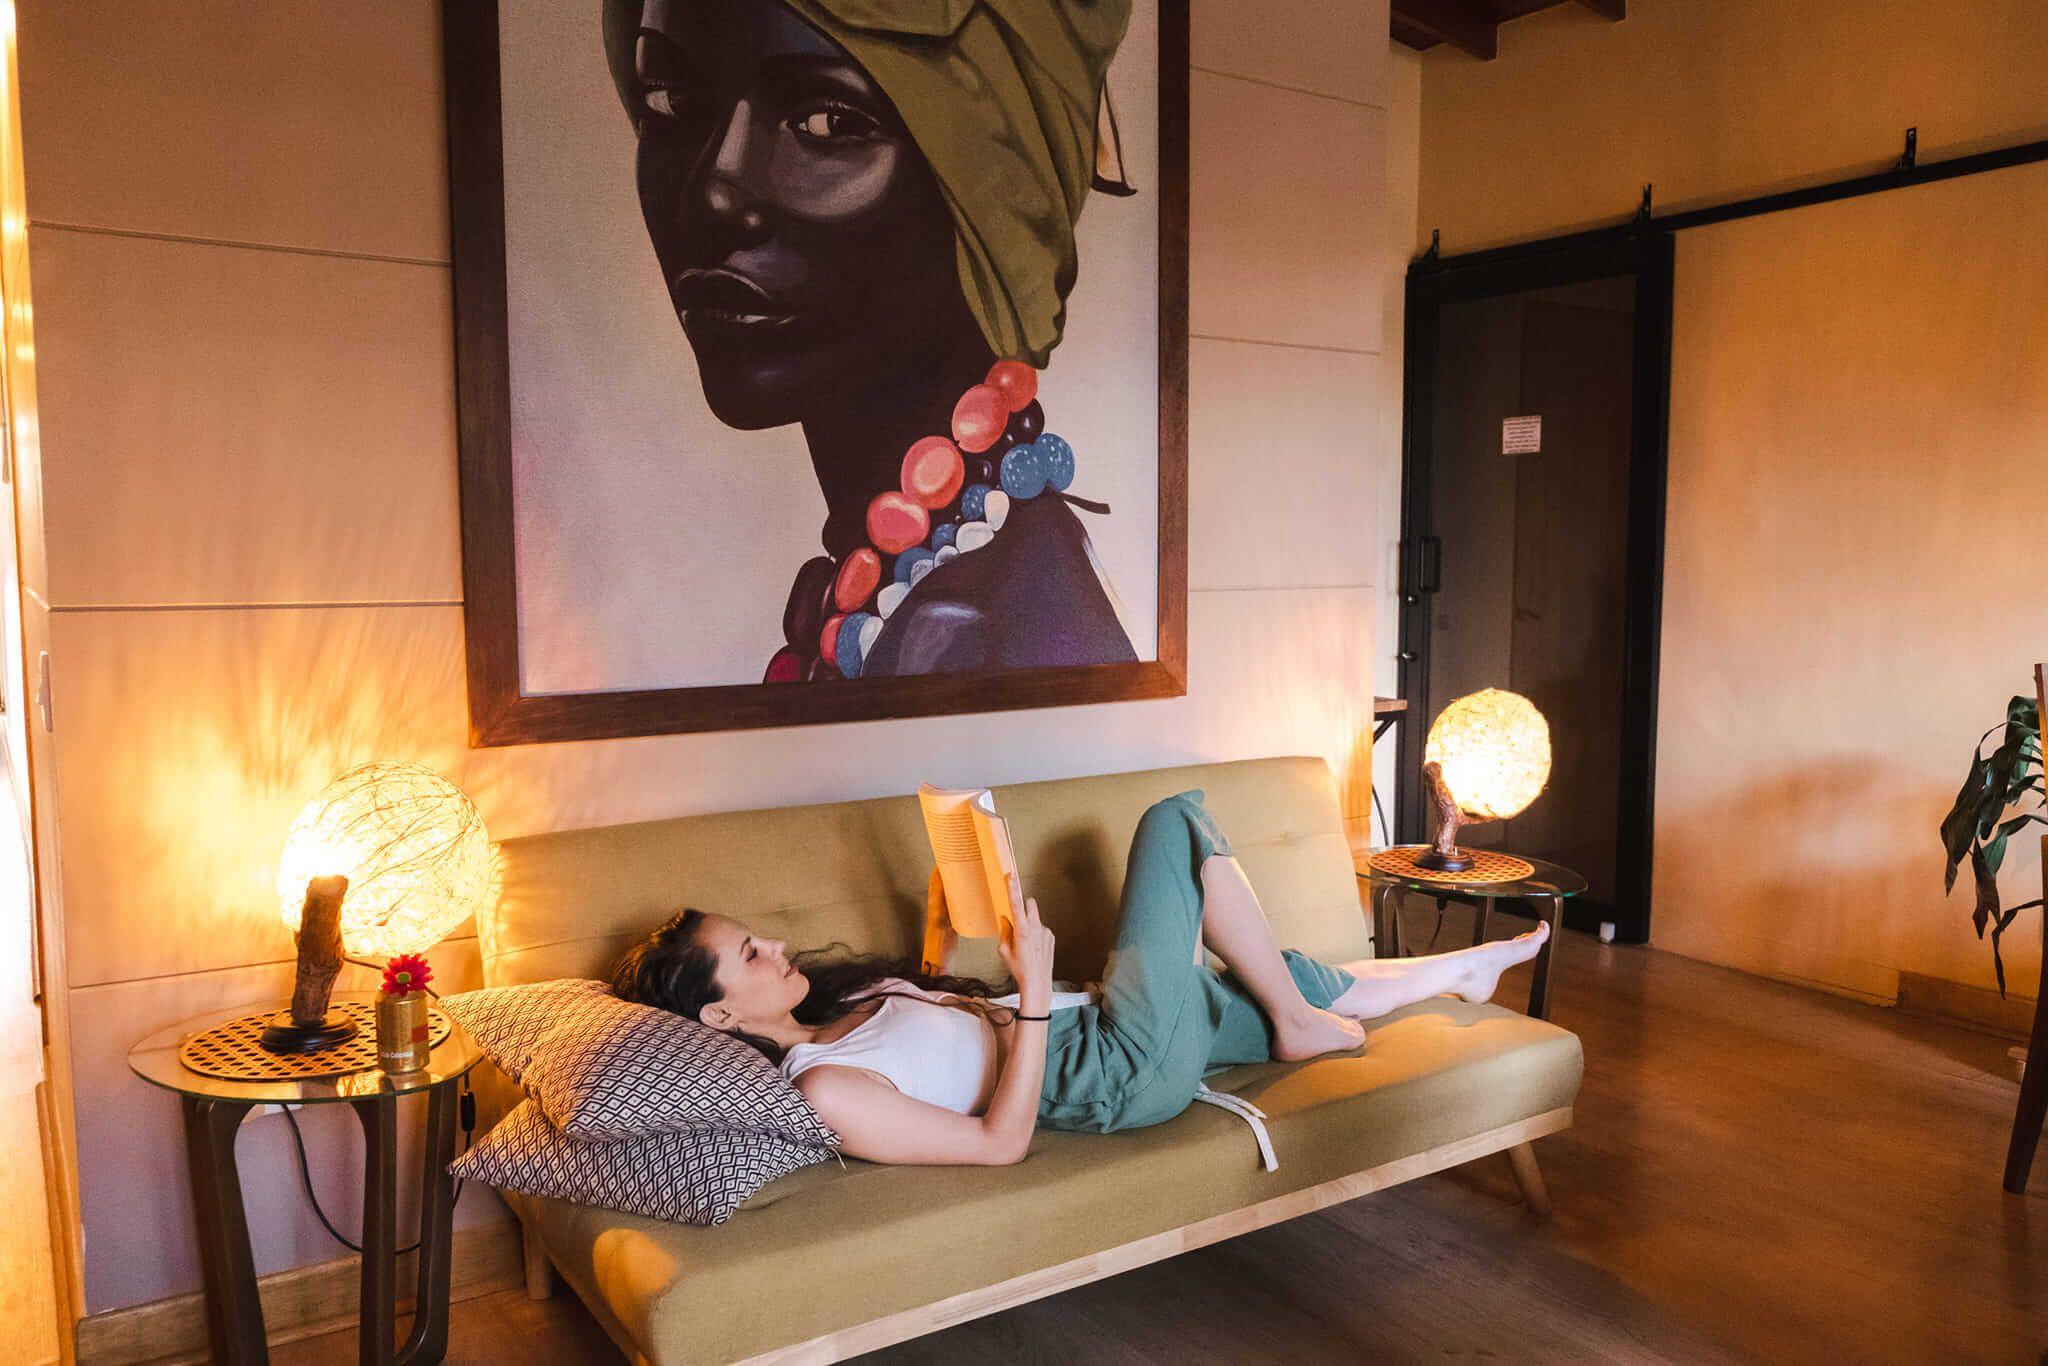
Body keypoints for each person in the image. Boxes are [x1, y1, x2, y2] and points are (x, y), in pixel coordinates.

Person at [602, 0, 1141, 681]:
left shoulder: (979, 636)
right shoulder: (914, 595)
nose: (712, 191)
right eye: (672, 99)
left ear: (997, 200)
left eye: (827, 123)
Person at [611, 791, 1549, 1165]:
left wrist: (960, 902)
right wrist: (1027, 998)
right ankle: (1296, 1017)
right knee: (1174, 821)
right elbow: (997, 1144)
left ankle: (1457, 976)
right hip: (1109, 1075)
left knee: (1284, 975)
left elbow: (945, 1012)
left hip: (1089, 1021)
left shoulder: (835, 1014)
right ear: (720, 1012)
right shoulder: (823, 1089)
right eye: (749, 956)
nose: (776, 950)